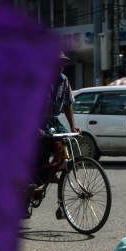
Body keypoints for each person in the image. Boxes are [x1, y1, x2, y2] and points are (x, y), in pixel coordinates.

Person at [34, 51, 79, 185]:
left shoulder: (64, 80)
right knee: (44, 148)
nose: (61, 65)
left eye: (63, 62)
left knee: (68, 142)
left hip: (53, 121)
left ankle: (53, 171)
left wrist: (73, 126)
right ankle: (37, 178)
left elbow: (68, 104)